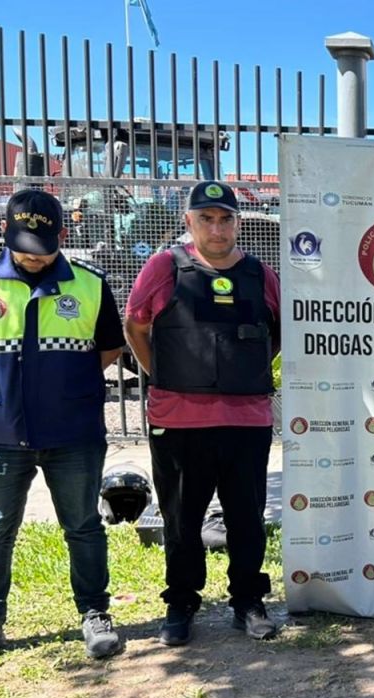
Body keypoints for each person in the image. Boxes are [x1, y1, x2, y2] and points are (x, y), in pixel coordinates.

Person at [0, 189, 125, 674]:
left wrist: (63, 386)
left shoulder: (90, 282)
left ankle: (95, 613)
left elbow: (109, 348)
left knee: (83, 527)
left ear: (61, 236)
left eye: (43, 248)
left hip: (72, 432)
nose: (33, 256)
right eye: (24, 246)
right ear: (4, 231)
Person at [124, 181, 281, 646]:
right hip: (179, 422)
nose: (217, 229)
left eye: (226, 218)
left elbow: (276, 335)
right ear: (189, 222)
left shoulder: (261, 275)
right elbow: (135, 327)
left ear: (238, 223)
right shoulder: (163, 267)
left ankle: (248, 602)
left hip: (246, 421)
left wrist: (243, 369)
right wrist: (163, 374)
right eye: (206, 219)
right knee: (181, 520)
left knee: (247, 519)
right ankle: (181, 603)